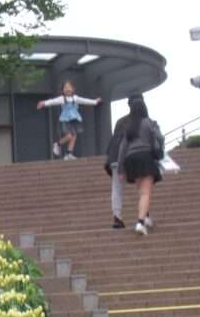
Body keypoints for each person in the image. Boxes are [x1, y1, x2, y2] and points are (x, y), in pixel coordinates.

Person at [118, 98, 164, 236]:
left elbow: (122, 148)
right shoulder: (149, 122)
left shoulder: (129, 127)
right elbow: (160, 137)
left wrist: (121, 168)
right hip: (145, 157)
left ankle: (146, 217)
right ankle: (141, 222)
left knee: (142, 192)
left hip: (131, 160)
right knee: (145, 193)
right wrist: (160, 150)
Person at [104, 93, 144, 229]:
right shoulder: (145, 121)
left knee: (117, 188)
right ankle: (144, 215)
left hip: (116, 158)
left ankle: (117, 217)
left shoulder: (121, 121)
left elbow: (114, 142)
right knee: (143, 188)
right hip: (135, 157)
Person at [37, 81, 102, 160]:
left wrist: (95, 102)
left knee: (74, 136)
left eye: (69, 87)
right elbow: (53, 101)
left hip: (75, 119)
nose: (67, 89)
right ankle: (58, 144)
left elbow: (85, 101)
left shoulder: (76, 98)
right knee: (69, 136)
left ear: (73, 89)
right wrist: (44, 103)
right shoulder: (62, 98)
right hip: (66, 119)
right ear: (62, 91)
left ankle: (69, 153)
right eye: (65, 88)